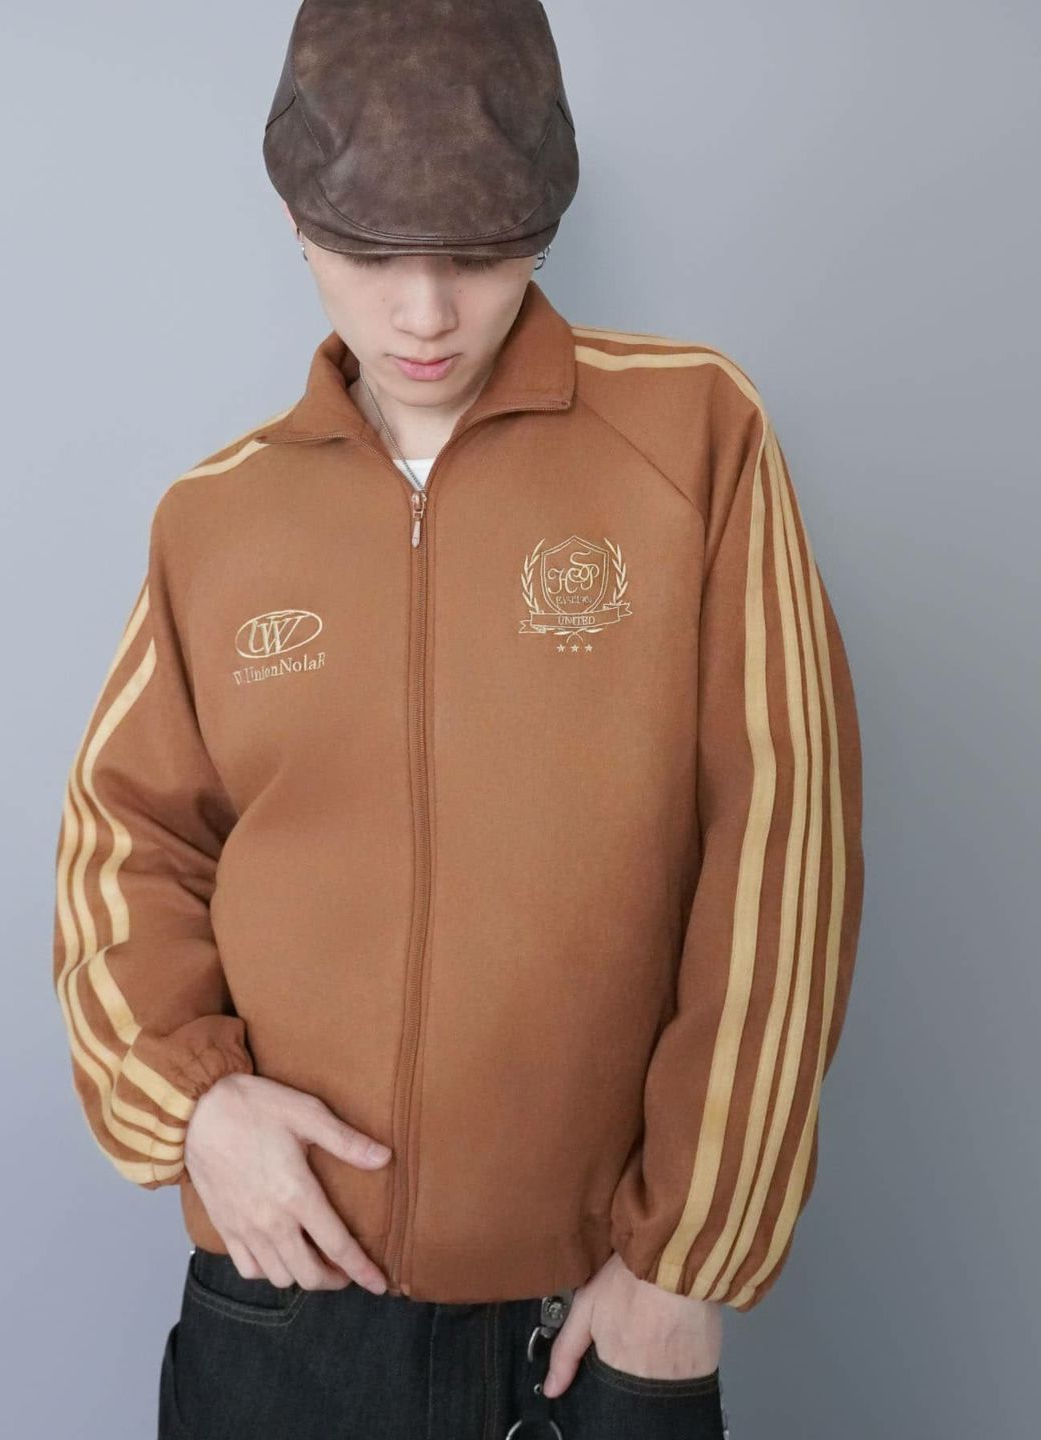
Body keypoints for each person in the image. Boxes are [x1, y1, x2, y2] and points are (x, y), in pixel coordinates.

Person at [50, 2, 865, 1436]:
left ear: (544, 220)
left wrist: (687, 1259)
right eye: (370, 258)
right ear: (297, 221)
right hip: (282, 1311)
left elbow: (783, 843)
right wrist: (196, 1109)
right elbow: (122, 847)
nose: (424, 316)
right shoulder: (216, 518)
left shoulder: (694, 435)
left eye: (479, 258)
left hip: (595, 1313)